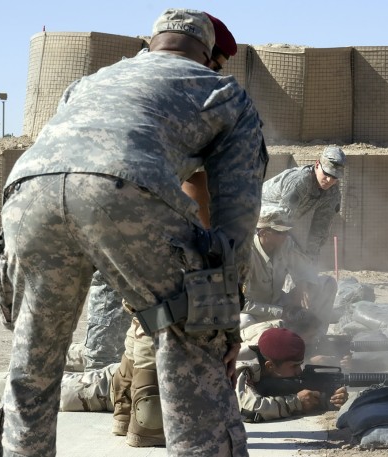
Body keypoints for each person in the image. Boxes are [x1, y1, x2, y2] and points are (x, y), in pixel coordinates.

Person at [0, 8, 266, 457]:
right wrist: (224, 317)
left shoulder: (89, 82)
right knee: (191, 349)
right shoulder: (221, 90)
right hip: (123, 188)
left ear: (151, 42)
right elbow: (236, 210)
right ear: (209, 54)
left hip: (27, 194)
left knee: (34, 367)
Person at [65, 9, 240, 375]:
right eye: (217, 63)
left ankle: (110, 373)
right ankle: (104, 378)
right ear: (206, 54)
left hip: (60, 197)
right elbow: (205, 194)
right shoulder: (205, 95)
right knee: (136, 295)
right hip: (124, 207)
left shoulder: (106, 79)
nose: (214, 72)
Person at [240, 205, 337, 334]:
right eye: (280, 232)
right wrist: (280, 312)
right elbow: (240, 303)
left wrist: (302, 285)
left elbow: (305, 267)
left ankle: (316, 337)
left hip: (279, 302)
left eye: (287, 231)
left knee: (327, 283)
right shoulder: (244, 255)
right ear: (263, 232)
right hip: (255, 311)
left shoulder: (286, 243)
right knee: (244, 321)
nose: (285, 235)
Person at [236, 327, 348, 422]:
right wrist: (296, 402)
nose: (299, 371)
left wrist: (329, 399)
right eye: (294, 366)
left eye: (300, 365)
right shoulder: (242, 368)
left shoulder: (267, 357)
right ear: (270, 366)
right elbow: (249, 410)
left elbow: (283, 389)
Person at [261, 146, 346, 262]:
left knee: (301, 263)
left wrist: (311, 261)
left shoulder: (332, 193)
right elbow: (281, 220)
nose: (329, 180)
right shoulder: (300, 182)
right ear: (317, 165)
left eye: (334, 177)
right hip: (256, 214)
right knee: (284, 254)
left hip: (279, 223)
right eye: (326, 173)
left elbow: (320, 229)